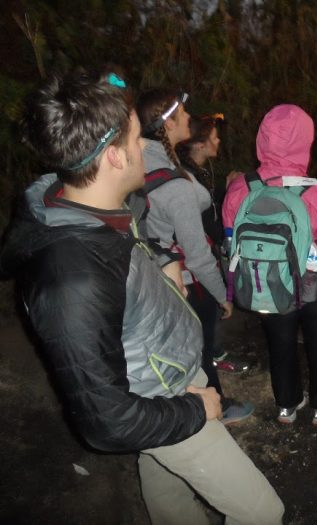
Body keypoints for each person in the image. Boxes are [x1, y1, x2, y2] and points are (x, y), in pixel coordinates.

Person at [0, 70, 283, 525]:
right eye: (136, 140)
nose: (144, 149)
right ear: (113, 157)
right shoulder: (69, 279)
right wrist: (194, 409)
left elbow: (119, 258)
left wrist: (157, 257)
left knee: (170, 500)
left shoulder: (90, 207)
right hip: (162, 398)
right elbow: (105, 419)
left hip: (167, 374)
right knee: (264, 513)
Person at [223, 104, 317, 425]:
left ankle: (286, 405)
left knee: (279, 344)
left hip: (268, 283)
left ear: (261, 140)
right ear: (305, 142)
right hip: (315, 286)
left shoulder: (241, 188)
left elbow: (229, 238)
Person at [136, 89, 252, 423]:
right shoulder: (176, 186)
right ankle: (215, 409)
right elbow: (199, 256)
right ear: (167, 123)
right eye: (183, 113)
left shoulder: (140, 162)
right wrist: (223, 296)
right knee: (197, 348)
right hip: (181, 277)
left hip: (149, 270)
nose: (189, 118)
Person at [175, 114, 250, 373]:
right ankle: (210, 359)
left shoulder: (198, 172)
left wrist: (225, 191)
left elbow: (208, 207)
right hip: (192, 258)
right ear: (199, 144)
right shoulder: (184, 178)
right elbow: (204, 220)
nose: (218, 140)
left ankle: (213, 353)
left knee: (206, 308)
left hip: (201, 252)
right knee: (205, 305)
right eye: (213, 136)